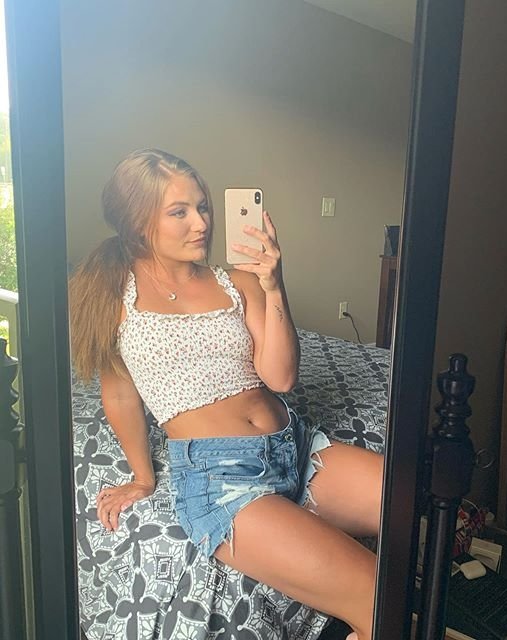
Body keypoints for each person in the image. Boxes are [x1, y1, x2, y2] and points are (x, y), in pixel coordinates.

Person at [69, 149, 382, 640]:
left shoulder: (237, 282)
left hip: (297, 449)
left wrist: (274, 286)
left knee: (414, 505)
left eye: (203, 207)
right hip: (223, 481)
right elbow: (122, 396)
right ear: (138, 223)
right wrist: (143, 477)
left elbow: (281, 378)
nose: (201, 223)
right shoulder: (114, 297)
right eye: (179, 212)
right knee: (377, 593)